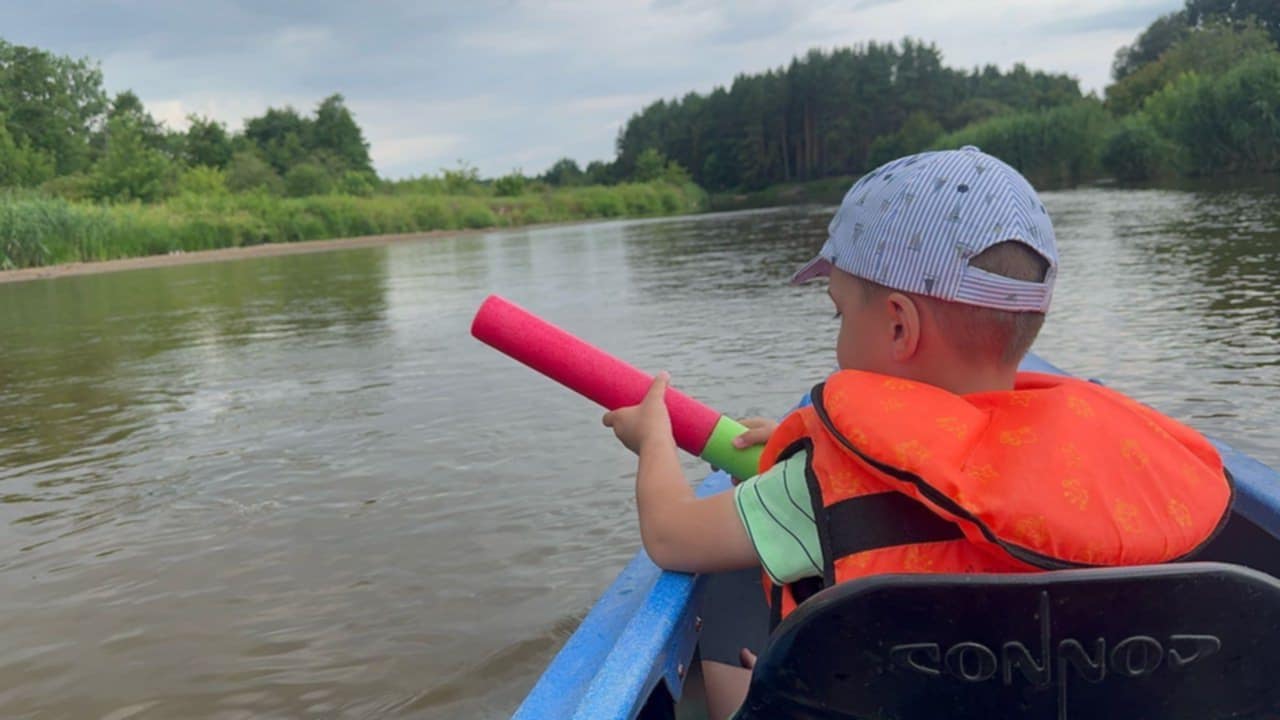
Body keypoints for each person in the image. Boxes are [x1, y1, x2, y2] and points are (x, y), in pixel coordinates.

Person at [602, 146, 1233, 719]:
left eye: (840, 313)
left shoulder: (814, 484)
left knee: (735, 578)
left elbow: (670, 536)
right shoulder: (1114, 471)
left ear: (899, 328)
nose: (838, 335)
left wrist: (653, 438)